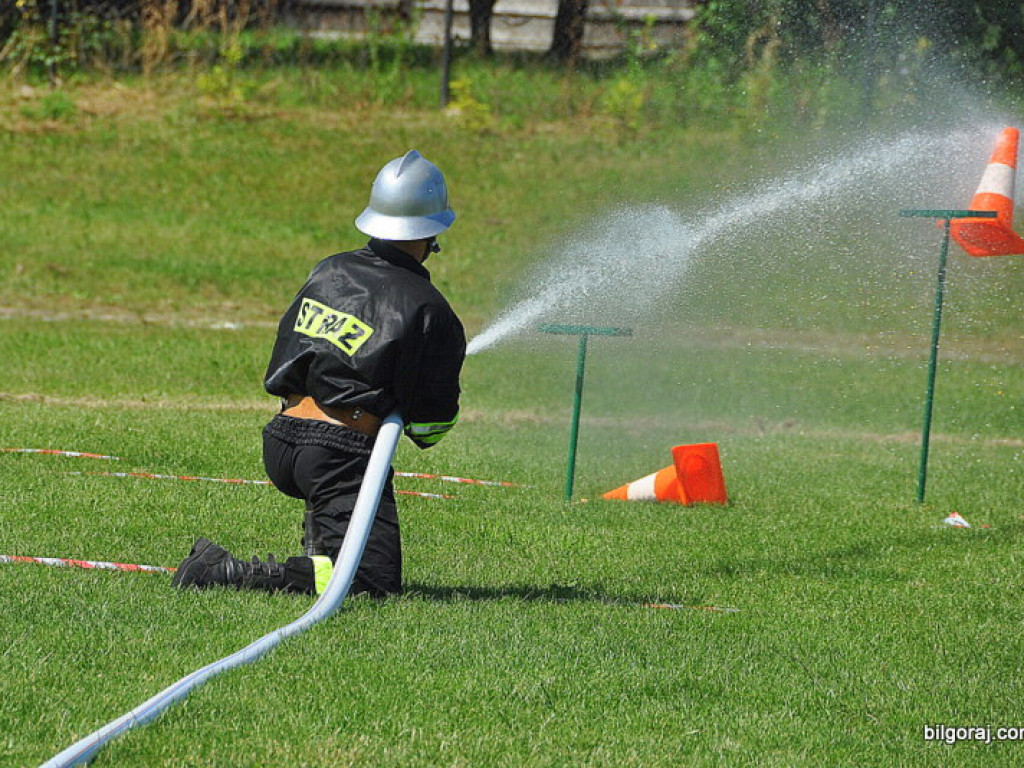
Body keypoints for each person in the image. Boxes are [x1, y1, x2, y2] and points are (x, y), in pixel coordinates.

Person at [172, 150, 466, 597]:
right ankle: (223, 570)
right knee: (369, 583)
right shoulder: (430, 308)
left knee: (350, 561)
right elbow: (430, 426)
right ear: (433, 232)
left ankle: (322, 546)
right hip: (337, 458)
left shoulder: (330, 270)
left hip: (281, 439)